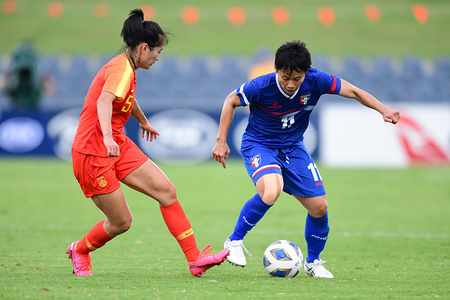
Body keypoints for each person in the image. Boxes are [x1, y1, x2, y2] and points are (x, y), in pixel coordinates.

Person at [212, 40, 400, 278]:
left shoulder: (317, 80)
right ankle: (234, 242)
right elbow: (231, 100)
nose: (290, 84)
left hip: (293, 148)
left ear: (307, 72)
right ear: (276, 69)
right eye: (285, 77)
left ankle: (313, 263)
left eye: (297, 78)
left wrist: (383, 109)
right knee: (272, 190)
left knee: (320, 207)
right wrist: (221, 140)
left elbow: (353, 91)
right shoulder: (261, 85)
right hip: (260, 145)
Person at [67, 8, 229, 277]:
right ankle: (80, 250)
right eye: (157, 52)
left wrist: (141, 120)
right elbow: (105, 100)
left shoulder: (127, 67)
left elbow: (124, 97)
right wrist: (106, 137)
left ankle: (195, 259)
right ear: (144, 48)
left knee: (166, 191)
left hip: (117, 144)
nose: (157, 57)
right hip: (93, 153)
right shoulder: (121, 69)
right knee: (121, 222)